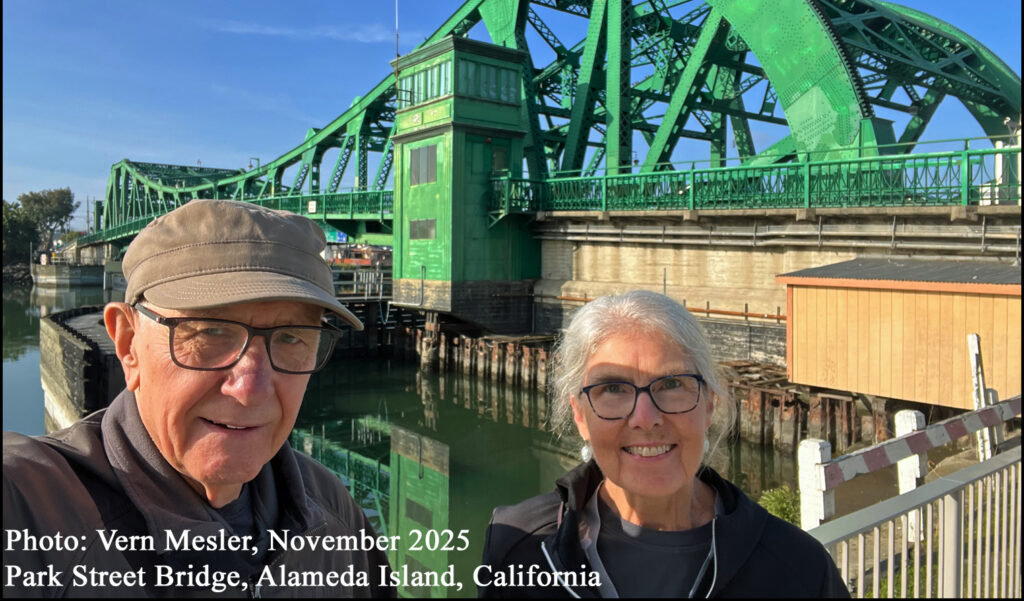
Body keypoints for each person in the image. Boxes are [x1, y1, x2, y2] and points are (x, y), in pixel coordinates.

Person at [4, 200, 395, 597]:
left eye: (292, 337)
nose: (251, 390)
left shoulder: (336, 513)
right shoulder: (29, 509)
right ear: (128, 344)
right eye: (210, 332)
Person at [478, 290, 849, 598]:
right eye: (613, 388)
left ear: (709, 403)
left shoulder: (798, 568)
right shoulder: (516, 546)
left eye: (672, 384)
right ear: (580, 415)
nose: (645, 417)